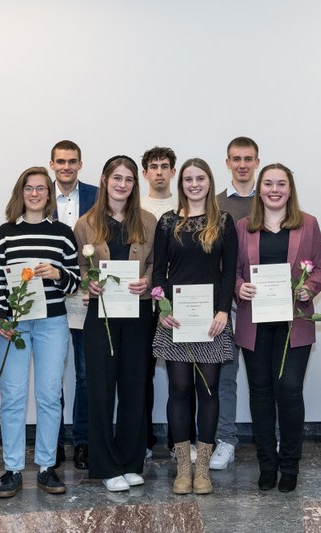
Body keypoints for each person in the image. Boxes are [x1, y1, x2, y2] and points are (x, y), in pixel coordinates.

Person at [0, 166, 80, 498]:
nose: (35, 193)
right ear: (20, 192)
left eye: (41, 188)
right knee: (12, 397)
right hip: (14, 326)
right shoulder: (5, 232)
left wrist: (57, 273)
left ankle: (45, 467)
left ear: (49, 193)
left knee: (49, 396)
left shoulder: (63, 232)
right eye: (29, 188)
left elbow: (76, 281)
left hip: (52, 324)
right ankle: (12, 469)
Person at [234, 163, 321, 493]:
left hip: (294, 322)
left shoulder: (309, 224)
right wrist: (239, 286)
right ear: (259, 189)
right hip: (254, 323)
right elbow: (232, 270)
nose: (275, 189)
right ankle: (267, 464)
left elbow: (320, 266)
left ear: (290, 189)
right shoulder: (244, 226)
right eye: (269, 183)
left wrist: (309, 288)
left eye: (281, 184)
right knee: (260, 395)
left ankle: (290, 464)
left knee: (288, 390)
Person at [152, 158, 237, 495]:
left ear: (209, 181)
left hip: (211, 321)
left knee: (209, 390)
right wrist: (162, 306)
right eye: (188, 179)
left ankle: (203, 469)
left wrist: (223, 312)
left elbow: (229, 271)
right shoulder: (167, 222)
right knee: (179, 389)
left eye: (200, 178)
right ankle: (182, 468)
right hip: (176, 318)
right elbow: (159, 272)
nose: (193, 184)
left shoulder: (224, 221)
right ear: (180, 183)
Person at [73, 155, 157, 492]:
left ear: (135, 185)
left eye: (129, 179)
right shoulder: (85, 224)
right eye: (116, 178)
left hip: (138, 313)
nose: (122, 184)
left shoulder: (149, 221)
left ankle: (130, 461)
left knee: (135, 387)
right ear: (105, 179)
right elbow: (79, 267)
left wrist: (148, 282)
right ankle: (106, 466)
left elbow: (154, 264)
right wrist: (87, 283)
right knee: (101, 389)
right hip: (102, 315)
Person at [139, 146, 197, 461]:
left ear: (173, 172)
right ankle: (145, 439)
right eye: (153, 166)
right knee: (144, 374)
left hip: (186, 307)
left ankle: (181, 442)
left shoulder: (188, 206)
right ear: (145, 172)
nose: (159, 172)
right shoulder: (136, 208)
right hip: (146, 306)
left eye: (165, 166)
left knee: (184, 377)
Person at [210, 136, 261, 470]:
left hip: (261, 307)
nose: (242, 164)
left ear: (257, 162)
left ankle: (268, 440)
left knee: (263, 379)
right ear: (227, 163)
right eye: (236, 158)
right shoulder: (214, 205)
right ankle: (225, 440)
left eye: (248, 158)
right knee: (224, 378)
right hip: (224, 309)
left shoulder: (272, 199)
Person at [50, 140, 98, 470]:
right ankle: (52, 442)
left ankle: (82, 441)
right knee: (52, 374)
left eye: (72, 161)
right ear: (52, 164)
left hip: (84, 293)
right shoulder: (36, 194)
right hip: (50, 293)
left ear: (80, 164)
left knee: (85, 374)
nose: (66, 166)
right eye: (60, 161)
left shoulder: (97, 196)